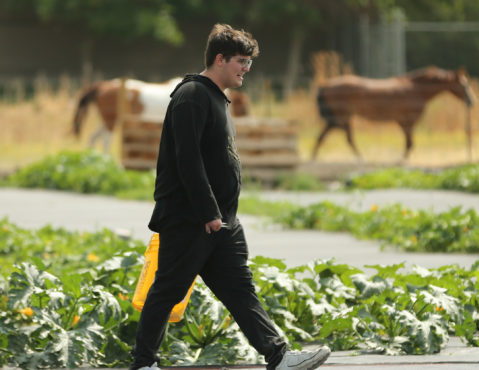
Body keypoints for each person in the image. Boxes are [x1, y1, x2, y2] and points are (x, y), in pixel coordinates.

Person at [130, 24, 331, 370]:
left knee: (239, 288)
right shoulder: (192, 95)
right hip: (191, 218)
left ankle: (278, 355)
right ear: (219, 59)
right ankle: (143, 364)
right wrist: (208, 211)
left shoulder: (217, 98)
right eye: (241, 61)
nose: (247, 69)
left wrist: (221, 214)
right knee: (167, 290)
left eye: (250, 62)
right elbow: (187, 160)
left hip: (221, 221)